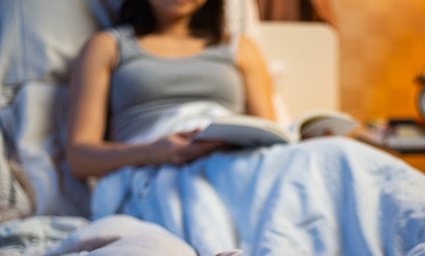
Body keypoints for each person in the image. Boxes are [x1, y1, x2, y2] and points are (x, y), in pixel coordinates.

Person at [66, 0, 276, 180]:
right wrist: (152, 153)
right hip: (153, 169)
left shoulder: (240, 48)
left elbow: (271, 136)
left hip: (232, 163)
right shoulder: (107, 47)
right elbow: (79, 159)